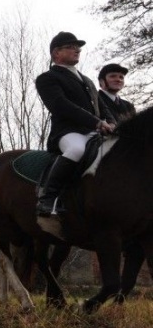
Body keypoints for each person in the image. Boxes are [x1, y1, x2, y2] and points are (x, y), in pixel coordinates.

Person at [35, 32, 116, 217]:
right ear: (56, 53)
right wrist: (96, 122)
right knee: (77, 150)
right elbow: (61, 106)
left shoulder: (87, 80)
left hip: (96, 132)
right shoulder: (47, 78)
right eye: (71, 47)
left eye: (78, 47)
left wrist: (112, 122)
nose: (77, 50)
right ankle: (48, 198)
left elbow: (102, 106)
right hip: (68, 132)